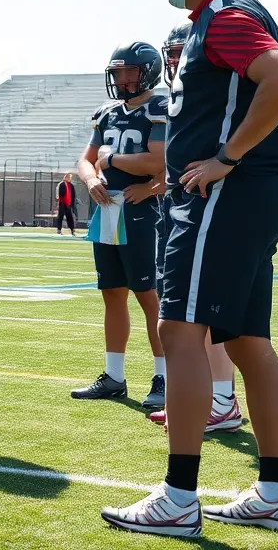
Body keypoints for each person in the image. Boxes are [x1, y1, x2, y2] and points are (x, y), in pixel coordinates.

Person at [103, 0, 278, 536]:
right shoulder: (223, 16)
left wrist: (226, 158)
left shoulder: (227, 15)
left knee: (179, 331)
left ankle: (179, 497)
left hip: (225, 195)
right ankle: (273, 491)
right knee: (244, 341)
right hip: (248, 197)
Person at [148, 20, 242, 435]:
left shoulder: (214, 92)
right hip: (181, 204)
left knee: (205, 312)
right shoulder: (181, 94)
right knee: (187, 313)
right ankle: (206, 398)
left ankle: (222, 399)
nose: (173, 59)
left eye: (180, 51)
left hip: (209, 203)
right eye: (170, 52)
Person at [72, 42, 167, 409]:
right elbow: (85, 160)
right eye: (118, 72)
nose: (123, 79)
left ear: (146, 72)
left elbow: (156, 161)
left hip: (140, 212)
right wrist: (91, 179)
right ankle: (114, 376)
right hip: (108, 210)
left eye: (129, 72)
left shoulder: (159, 107)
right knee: (112, 292)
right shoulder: (108, 113)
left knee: (148, 297)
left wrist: (110, 160)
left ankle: (163, 376)